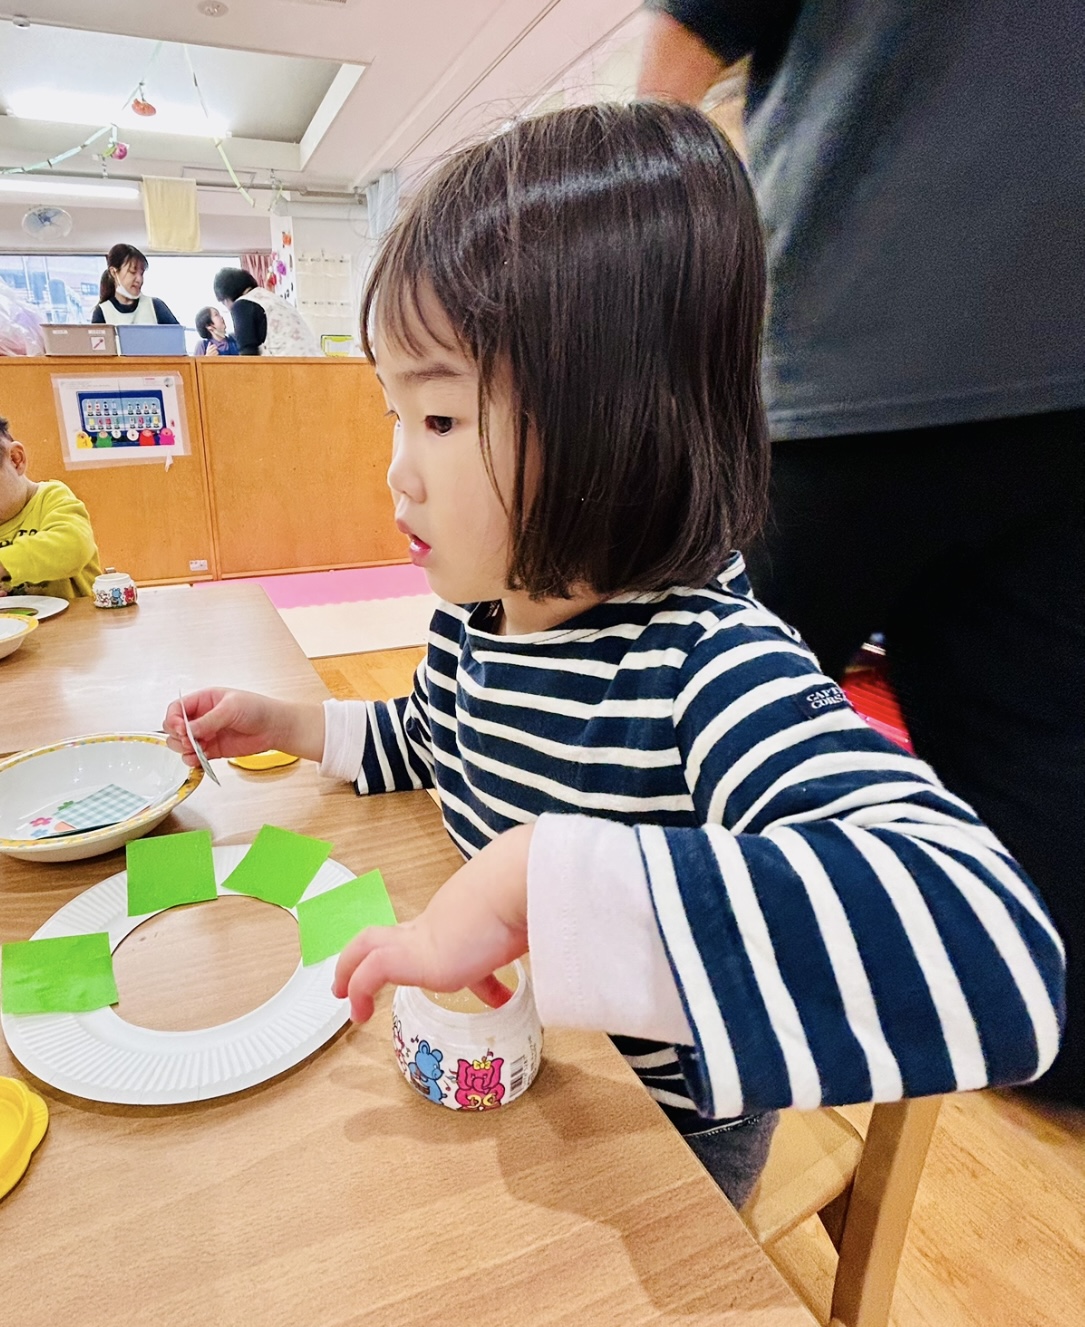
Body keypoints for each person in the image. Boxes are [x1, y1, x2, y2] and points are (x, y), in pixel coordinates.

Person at [165, 104, 1064, 1207]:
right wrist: (294, 724)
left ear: (617, 424)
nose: (396, 469)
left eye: (439, 420)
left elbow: (992, 942)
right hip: (508, 1050)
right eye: (392, 413)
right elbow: (433, 739)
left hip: (656, 1142)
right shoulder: (479, 615)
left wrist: (541, 879)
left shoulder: (709, 664)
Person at [636, 2, 1085, 1108]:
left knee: (671, 708)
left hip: (854, 349)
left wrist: (625, 298)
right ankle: (1044, 1045)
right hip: (1055, 373)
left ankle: (642, 1026)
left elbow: (674, 60)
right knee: (1037, 750)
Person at [0, 415, 101, 598]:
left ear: (15, 459)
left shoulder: (52, 498)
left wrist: (3, 565)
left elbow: (74, 547)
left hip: (78, 615)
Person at [211, 267, 321, 357]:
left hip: (290, 368)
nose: (228, 308)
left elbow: (248, 355)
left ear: (227, 296)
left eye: (224, 302)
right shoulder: (271, 298)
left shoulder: (242, 304)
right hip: (317, 363)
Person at [91, 244, 179, 326]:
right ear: (114, 272)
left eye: (141, 273)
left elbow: (177, 335)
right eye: (132, 272)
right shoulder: (102, 312)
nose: (139, 280)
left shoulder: (156, 306)